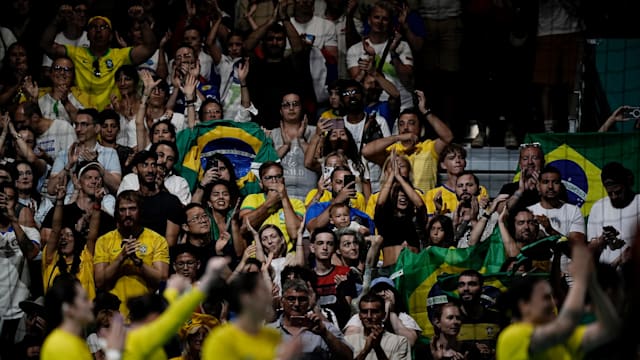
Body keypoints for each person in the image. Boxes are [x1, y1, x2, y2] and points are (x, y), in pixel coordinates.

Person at [496, 243, 621, 359]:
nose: (554, 302)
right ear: (524, 305)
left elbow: (609, 328)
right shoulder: (512, 336)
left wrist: (592, 281)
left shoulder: (565, 337)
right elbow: (564, 326)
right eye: (545, 297)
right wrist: (580, 280)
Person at [41, 13, 157, 111]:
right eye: (93, 27)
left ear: (111, 36)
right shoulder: (75, 53)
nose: (98, 30)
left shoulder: (120, 55)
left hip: (111, 114)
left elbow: (149, 47)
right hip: (81, 114)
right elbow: (46, 45)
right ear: (87, 35)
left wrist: (142, 21)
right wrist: (56, 21)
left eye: (103, 27)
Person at [93, 190, 170, 318]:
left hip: (145, 316)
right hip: (113, 316)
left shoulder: (157, 240)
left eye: (132, 209)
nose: (127, 214)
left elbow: (162, 279)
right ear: (117, 213)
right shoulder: (104, 241)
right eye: (122, 210)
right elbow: (99, 282)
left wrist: (139, 262)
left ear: (140, 211)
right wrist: (121, 258)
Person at [362, 92, 453, 194]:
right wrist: (397, 137)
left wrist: (425, 111)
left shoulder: (429, 147)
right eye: (401, 124)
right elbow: (366, 151)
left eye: (411, 123)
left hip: (424, 205)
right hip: (395, 205)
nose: (405, 127)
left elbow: (448, 137)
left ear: (420, 128)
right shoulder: (391, 150)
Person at [201, 272, 287, 360]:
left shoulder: (274, 336)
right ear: (246, 298)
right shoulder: (221, 340)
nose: (270, 296)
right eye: (264, 290)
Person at [40, 274, 126, 360]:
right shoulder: (61, 345)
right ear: (69, 308)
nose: (91, 305)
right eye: (85, 299)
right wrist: (113, 354)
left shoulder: (75, 342)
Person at [347, 1, 414, 110]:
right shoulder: (355, 49)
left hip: (403, 106)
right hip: (371, 108)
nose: (380, 22)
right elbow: (356, 84)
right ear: (369, 20)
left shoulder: (402, 46)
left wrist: (393, 53)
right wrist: (371, 57)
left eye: (385, 19)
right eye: (376, 17)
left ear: (390, 22)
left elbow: (407, 78)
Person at [0, 181, 41, 358]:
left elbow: (31, 253)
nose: (4, 204)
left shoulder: (29, 232)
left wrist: (13, 221)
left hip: (19, 312)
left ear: (15, 204)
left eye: (9, 200)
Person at [267, 277, 353, 360]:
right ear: (282, 302)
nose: (296, 304)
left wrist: (325, 334)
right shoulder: (269, 330)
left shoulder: (325, 328)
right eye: (291, 299)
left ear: (308, 303)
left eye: (302, 299)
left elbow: (348, 356)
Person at [48, 108, 122, 200]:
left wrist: (95, 163)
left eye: (84, 124)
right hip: (70, 206)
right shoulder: (64, 154)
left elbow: (117, 187)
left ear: (97, 128)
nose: (78, 129)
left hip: (100, 205)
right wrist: (68, 166)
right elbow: (51, 190)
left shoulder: (110, 153)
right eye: (76, 125)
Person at [374, 152, 426, 268]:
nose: (402, 196)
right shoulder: (384, 217)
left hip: (414, 270)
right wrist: (393, 174)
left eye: (401, 166)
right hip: (391, 270)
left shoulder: (415, 218)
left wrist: (399, 178)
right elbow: (380, 203)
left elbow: (420, 205)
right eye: (393, 166)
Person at [240, 161, 305, 252]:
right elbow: (244, 227)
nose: (274, 181)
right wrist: (269, 203)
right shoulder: (252, 199)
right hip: (258, 258)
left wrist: (284, 197)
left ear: (283, 180)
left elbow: (295, 234)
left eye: (278, 177)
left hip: (287, 259)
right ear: (261, 183)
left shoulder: (296, 203)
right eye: (268, 178)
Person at [126, 150, 184, 247]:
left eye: (153, 165)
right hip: (131, 252)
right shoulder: (128, 200)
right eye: (145, 165)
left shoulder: (171, 201)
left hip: (160, 256)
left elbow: (170, 244)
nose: (150, 170)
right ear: (135, 169)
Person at [587, 161, 640, 266]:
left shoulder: (638, 202)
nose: (614, 196)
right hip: (608, 278)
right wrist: (602, 239)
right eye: (610, 193)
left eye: (618, 191)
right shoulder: (598, 207)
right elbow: (590, 249)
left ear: (626, 184)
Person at [270, 92, 319, 201]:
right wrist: (285, 146)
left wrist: (301, 140)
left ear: (302, 108)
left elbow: (318, 163)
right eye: (286, 105)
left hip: (310, 196)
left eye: (295, 104)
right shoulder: (272, 134)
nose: (291, 108)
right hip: (279, 196)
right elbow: (267, 167)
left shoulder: (315, 132)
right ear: (281, 111)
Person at [308, 227, 358, 328]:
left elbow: (347, 311)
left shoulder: (345, 273)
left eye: (329, 244)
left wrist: (341, 290)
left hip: (340, 325)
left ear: (335, 248)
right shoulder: (307, 277)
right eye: (320, 243)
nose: (325, 248)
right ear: (312, 248)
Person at [424, 143, 489, 217]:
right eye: (452, 158)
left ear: (465, 163)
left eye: (461, 157)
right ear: (443, 165)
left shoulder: (479, 190)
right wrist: (438, 211)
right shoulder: (432, 194)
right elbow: (431, 226)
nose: (457, 160)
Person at [306, 165, 373, 234]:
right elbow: (312, 228)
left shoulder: (362, 217)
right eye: (339, 182)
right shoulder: (318, 208)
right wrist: (337, 200)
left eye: (347, 182)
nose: (343, 186)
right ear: (331, 184)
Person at [344, 292, 411, 360]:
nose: (369, 316)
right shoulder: (347, 341)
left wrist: (378, 348)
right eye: (364, 312)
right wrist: (365, 351)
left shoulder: (400, 342)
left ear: (383, 315)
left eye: (374, 312)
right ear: (359, 315)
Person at [456, 270, 502, 358]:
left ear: (482, 288)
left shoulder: (497, 318)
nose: (466, 288)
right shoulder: (451, 319)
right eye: (461, 284)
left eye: (472, 284)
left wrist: (492, 352)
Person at [499, 143, 545, 210]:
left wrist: (541, 190)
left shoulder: (553, 187)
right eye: (525, 158)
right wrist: (519, 191)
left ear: (542, 163)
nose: (530, 162)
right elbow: (500, 211)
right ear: (520, 164)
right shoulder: (508, 188)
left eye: (535, 158)